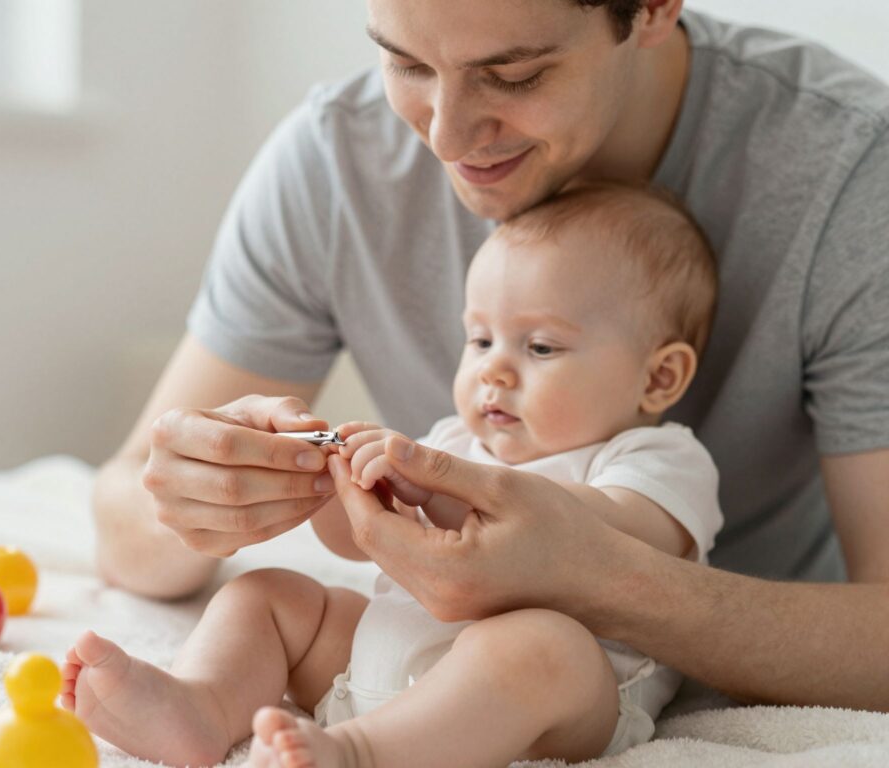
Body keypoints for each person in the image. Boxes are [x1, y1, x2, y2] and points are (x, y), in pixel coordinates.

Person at [92, 0, 889, 712]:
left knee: (532, 657)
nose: (445, 135)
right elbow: (127, 511)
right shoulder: (333, 160)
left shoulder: (849, 175)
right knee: (269, 597)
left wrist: (599, 578)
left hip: (603, 668)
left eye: (513, 74)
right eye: (405, 62)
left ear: (651, 10)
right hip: (416, 652)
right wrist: (221, 494)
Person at [63, 184, 723, 767]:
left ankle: (360, 753)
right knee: (269, 595)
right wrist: (334, 487)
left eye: (540, 346)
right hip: (378, 665)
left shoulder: (655, 458)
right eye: (480, 340)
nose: (493, 370)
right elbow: (359, 544)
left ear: (658, 376)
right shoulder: (455, 440)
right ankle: (201, 707)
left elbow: (609, 535)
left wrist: (444, 493)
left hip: (549, 702)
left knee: (539, 647)